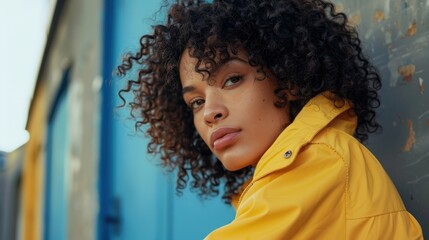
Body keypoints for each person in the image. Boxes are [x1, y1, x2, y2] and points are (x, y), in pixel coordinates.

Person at [117, 0, 424, 239]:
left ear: (288, 80)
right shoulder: (283, 177)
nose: (210, 112)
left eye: (232, 79)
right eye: (196, 102)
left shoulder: (322, 161)